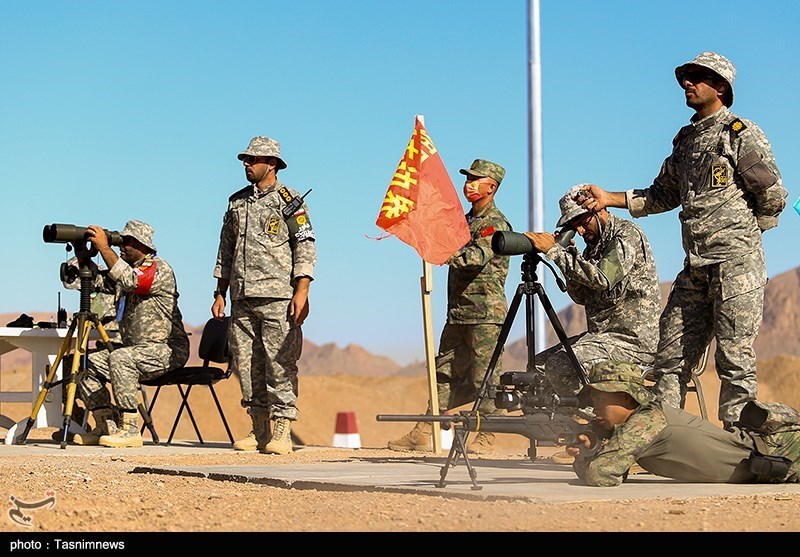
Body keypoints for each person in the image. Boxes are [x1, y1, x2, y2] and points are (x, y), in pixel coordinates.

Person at [581, 52, 788, 428]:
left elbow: (772, 194)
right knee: (670, 358)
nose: (688, 83)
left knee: (734, 358)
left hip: (736, 266)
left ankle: (739, 444)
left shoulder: (739, 133)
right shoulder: (686, 141)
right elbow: (661, 194)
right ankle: (665, 436)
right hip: (695, 269)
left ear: (721, 87)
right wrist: (609, 198)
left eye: (697, 77)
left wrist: (742, 239)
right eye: (685, 77)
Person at [522, 184, 661, 464]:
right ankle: (581, 437)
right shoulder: (593, 247)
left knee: (561, 367)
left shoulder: (626, 235)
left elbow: (602, 278)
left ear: (599, 209)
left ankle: (606, 436)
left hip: (632, 341)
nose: (581, 231)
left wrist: (556, 254)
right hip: (604, 337)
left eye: (582, 222)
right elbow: (582, 295)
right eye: (574, 226)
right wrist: (569, 256)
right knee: (538, 367)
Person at [388, 159, 511, 454]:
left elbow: (473, 258)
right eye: (467, 179)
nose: (468, 184)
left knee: (485, 377)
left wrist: (438, 250)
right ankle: (424, 431)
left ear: (491, 187)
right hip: (457, 312)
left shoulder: (495, 224)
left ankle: (487, 435)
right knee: (443, 371)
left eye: (475, 180)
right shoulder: (463, 222)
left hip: (485, 315)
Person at [212, 136, 316, 455]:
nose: (246, 164)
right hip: (241, 297)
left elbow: (305, 244)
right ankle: (259, 430)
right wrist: (220, 292)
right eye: (245, 159)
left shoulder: (290, 200)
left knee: (279, 363)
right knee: (247, 363)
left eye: (253, 159)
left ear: (271, 163)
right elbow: (225, 249)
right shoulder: (236, 202)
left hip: (278, 296)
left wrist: (302, 289)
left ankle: (282, 430)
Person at [567, 360, 800, 487]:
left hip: (783, 450)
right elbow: (616, 470)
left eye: (599, 399)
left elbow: (602, 474)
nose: (594, 408)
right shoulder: (638, 424)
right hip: (769, 460)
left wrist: (587, 460)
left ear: (626, 397)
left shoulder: (646, 421)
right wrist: (588, 452)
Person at [73, 220, 190, 448]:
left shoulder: (157, 268)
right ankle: (105, 425)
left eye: (126, 242)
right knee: (82, 363)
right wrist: (83, 255)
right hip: (136, 351)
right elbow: (94, 281)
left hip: (166, 351)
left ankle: (130, 429)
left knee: (120, 358)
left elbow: (131, 280)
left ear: (142, 245)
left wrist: (105, 248)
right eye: (120, 242)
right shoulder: (125, 270)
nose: (121, 246)